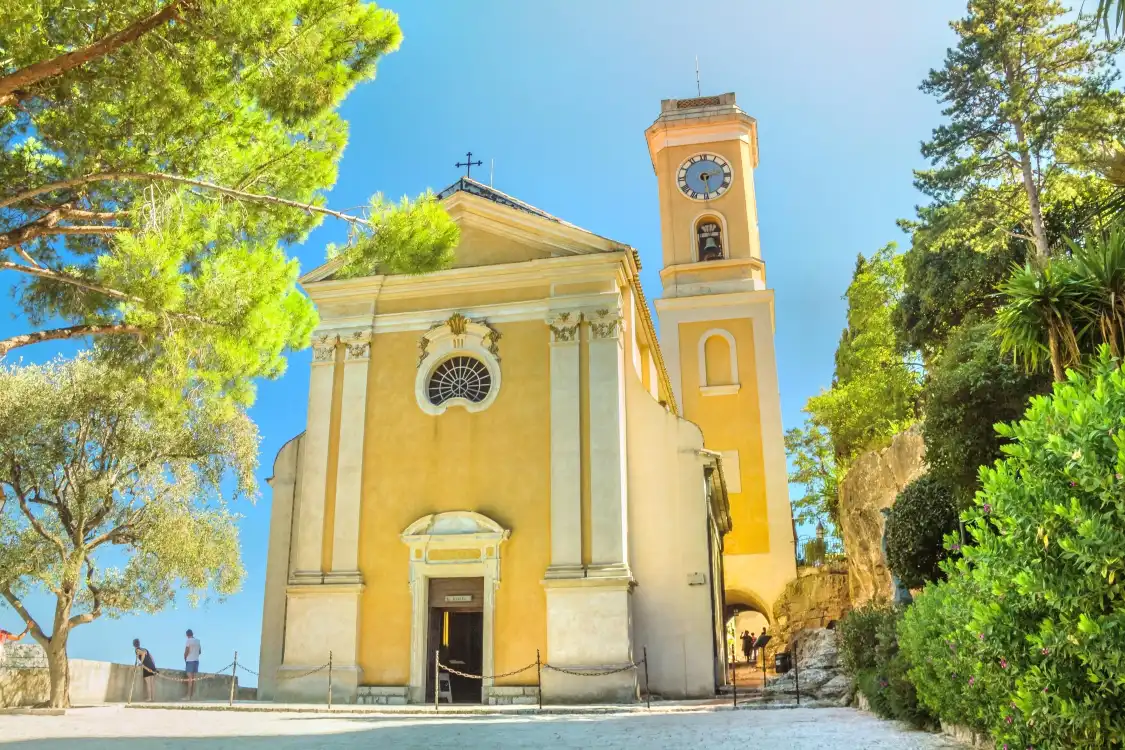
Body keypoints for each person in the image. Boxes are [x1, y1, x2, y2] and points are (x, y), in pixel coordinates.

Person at [184, 629, 202, 700]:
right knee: (194, 679)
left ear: (187, 635)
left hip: (190, 660)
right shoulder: (198, 641)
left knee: (189, 679)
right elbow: (200, 651)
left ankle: (188, 696)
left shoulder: (188, 641)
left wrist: (185, 658)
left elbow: (186, 651)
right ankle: (193, 695)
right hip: (196, 661)